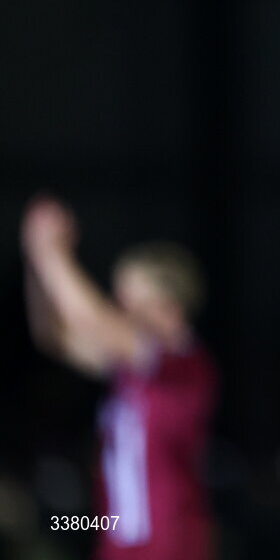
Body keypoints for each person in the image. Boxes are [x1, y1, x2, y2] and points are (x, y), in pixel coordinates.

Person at [21, 196, 217, 560]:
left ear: (168, 308)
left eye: (132, 302)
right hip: (116, 532)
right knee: (59, 525)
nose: (120, 311)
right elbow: (53, 335)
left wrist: (53, 252)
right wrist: (37, 259)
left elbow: (92, 321)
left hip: (168, 538)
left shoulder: (180, 362)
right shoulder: (132, 370)